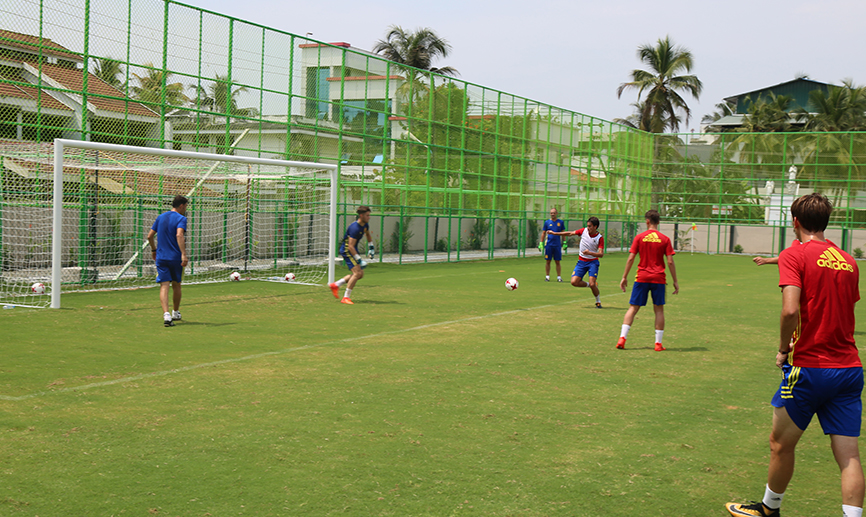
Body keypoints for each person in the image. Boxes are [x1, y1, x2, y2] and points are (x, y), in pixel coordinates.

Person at [726, 193, 863, 517]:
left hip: (811, 367)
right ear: (826, 223)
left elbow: (790, 311)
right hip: (850, 368)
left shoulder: (794, 254)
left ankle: (769, 509)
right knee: (850, 456)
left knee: (780, 443)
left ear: (795, 222)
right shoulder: (848, 260)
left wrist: (783, 349)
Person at [617, 209, 679, 351]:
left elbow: (631, 258)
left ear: (647, 221)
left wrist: (624, 277)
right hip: (658, 279)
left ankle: (622, 338)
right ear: (658, 222)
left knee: (633, 308)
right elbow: (670, 262)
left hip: (642, 277)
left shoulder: (639, 238)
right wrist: (675, 280)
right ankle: (658, 344)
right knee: (658, 310)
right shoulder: (665, 239)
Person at [146, 195, 189, 327]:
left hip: (161, 257)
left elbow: (149, 236)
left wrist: (154, 250)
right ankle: (175, 312)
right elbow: (179, 234)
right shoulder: (182, 219)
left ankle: (166, 315)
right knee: (176, 285)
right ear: (181, 206)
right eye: (186, 206)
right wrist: (183, 254)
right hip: (175, 258)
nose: (186, 209)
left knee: (164, 285)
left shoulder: (161, 217)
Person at [548, 216, 605, 308]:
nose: (588, 228)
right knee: (574, 282)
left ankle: (598, 301)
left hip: (593, 263)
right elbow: (570, 233)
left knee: (592, 283)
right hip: (581, 262)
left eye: (590, 226)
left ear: (595, 227)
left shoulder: (599, 238)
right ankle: (590, 285)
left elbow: (601, 254)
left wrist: (589, 253)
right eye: (587, 226)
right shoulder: (584, 231)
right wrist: (555, 233)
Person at [329, 206, 374, 305]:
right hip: (347, 250)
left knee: (359, 274)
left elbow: (367, 234)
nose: (369, 217)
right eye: (367, 215)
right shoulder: (354, 228)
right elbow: (350, 246)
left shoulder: (365, 225)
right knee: (357, 273)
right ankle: (345, 297)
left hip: (352, 249)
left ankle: (336, 285)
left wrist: (371, 247)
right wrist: (359, 259)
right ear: (361, 215)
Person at [540, 208, 565, 282]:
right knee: (548, 261)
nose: (552, 214)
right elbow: (543, 233)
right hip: (549, 245)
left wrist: (564, 242)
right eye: (551, 213)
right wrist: (541, 242)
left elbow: (563, 232)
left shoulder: (560, 222)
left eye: (554, 213)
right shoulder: (547, 222)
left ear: (557, 213)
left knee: (557, 261)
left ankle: (559, 277)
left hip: (557, 245)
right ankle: (547, 277)